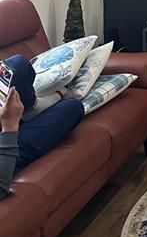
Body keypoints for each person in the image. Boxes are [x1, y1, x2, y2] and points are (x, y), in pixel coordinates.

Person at [0, 55, 85, 200]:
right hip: (9, 145)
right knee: (72, 108)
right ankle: (23, 115)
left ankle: (30, 107)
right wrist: (9, 127)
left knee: (17, 65)